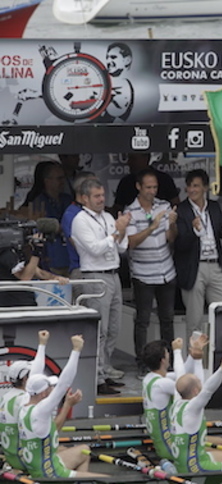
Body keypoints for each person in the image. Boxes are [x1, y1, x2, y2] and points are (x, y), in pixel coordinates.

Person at [71, 177, 131, 395]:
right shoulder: (80, 220)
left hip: (113, 273)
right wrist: (116, 232)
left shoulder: (107, 216)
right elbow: (95, 249)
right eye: (96, 196)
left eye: (103, 195)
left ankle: (104, 371)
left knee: (114, 327)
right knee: (100, 329)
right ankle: (95, 378)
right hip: (94, 276)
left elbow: (122, 247)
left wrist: (122, 230)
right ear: (85, 198)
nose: (101, 199)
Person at [18, 335, 106, 478]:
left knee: (83, 450)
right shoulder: (41, 410)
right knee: (108, 479)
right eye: (50, 387)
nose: (53, 389)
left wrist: (42, 344)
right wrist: (76, 350)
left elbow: (35, 372)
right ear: (42, 394)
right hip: (50, 472)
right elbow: (64, 383)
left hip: (39, 466)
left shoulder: (25, 402)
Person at [125, 168, 178, 378]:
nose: (152, 191)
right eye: (148, 187)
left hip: (166, 270)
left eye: (155, 187)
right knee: (143, 320)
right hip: (143, 273)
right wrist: (152, 226)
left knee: (168, 319)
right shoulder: (131, 211)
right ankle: (143, 363)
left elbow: (171, 238)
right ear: (138, 187)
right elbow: (131, 243)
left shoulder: (164, 206)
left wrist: (172, 225)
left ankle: (169, 362)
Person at [174, 169, 222, 338]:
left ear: (205, 188)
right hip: (194, 268)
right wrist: (194, 230)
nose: (192, 190)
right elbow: (180, 244)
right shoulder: (182, 210)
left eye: (196, 186)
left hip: (214, 265)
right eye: (189, 186)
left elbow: (220, 233)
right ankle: (194, 363)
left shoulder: (214, 207)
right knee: (195, 321)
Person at [171, 356, 222, 472]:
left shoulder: (177, 401)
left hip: (189, 457)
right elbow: (208, 389)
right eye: (199, 382)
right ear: (195, 391)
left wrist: (198, 359)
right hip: (194, 466)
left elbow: (180, 374)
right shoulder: (192, 408)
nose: (201, 382)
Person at [141, 336, 205, 461]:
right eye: (167, 353)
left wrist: (193, 355)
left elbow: (183, 374)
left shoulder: (149, 378)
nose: (169, 355)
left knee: (218, 441)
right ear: (163, 360)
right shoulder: (162, 384)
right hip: (170, 447)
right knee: (220, 446)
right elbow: (187, 382)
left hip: (164, 442)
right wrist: (179, 352)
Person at [0, 330, 49, 470]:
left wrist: (42, 344)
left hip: (12, 457)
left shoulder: (6, 397)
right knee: (79, 452)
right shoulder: (23, 399)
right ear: (25, 379)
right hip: (25, 461)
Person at [22, 161, 72, 275]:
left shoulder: (67, 199)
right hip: (51, 257)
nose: (62, 182)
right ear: (47, 181)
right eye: (59, 178)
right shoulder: (38, 202)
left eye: (63, 178)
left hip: (69, 257)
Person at [0, 233, 67, 308]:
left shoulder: (18, 253)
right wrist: (36, 252)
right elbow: (25, 277)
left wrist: (55, 277)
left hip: (27, 302)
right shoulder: (6, 254)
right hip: (11, 304)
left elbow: (38, 272)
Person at [61, 171, 97, 301]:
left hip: (101, 270)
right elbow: (80, 247)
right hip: (82, 271)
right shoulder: (71, 214)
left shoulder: (96, 213)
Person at [111, 153, 179, 215]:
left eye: (133, 159)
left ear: (146, 158)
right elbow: (118, 209)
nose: (129, 162)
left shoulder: (164, 179)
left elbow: (175, 204)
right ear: (138, 186)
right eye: (148, 187)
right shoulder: (126, 182)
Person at [101, 42, 134, 122]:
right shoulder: (104, 82)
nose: (108, 61)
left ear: (127, 60)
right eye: (107, 57)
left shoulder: (124, 85)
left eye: (113, 57)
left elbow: (114, 112)